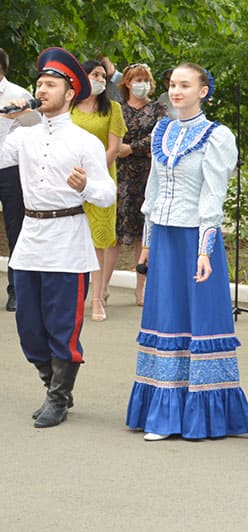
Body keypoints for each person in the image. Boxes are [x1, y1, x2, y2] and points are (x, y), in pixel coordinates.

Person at [124, 63, 248, 441]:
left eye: (185, 85)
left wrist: (205, 250)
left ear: (203, 91)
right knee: (165, 317)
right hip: (164, 237)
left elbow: (213, 196)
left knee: (197, 319)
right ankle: (162, 409)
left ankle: (204, 412)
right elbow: (152, 193)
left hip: (195, 240)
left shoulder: (217, 136)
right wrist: (147, 244)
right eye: (172, 85)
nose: (176, 91)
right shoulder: (162, 130)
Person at [0, 47, 116, 428]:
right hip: (31, 238)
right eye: (39, 84)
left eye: (50, 84)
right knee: (29, 329)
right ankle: (52, 383)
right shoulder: (25, 135)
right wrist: (12, 118)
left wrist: (84, 188)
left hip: (67, 241)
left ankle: (59, 396)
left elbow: (106, 193)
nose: (42, 89)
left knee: (63, 327)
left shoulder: (85, 142)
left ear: (69, 94)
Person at [71, 59, 127, 321]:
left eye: (103, 76)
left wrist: (92, 175)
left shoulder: (112, 109)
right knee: (70, 240)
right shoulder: (67, 108)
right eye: (95, 74)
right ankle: (73, 298)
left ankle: (97, 298)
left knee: (99, 241)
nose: (100, 80)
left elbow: (114, 149)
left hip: (101, 181)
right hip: (69, 183)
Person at [112, 63, 166, 306]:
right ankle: (102, 288)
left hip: (147, 176)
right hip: (119, 176)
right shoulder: (117, 109)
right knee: (115, 232)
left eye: (145, 79)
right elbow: (111, 136)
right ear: (127, 83)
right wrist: (119, 149)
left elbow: (159, 137)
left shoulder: (158, 109)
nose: (141, 84)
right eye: (136, 79)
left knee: (143, 234)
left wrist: (131, 148)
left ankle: (141, 288)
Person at [0, 48, 42, 312]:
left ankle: (16, 290)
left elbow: (38, 127)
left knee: (16, 229)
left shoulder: (18, 94)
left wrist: (21, 115)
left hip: (10, 169)